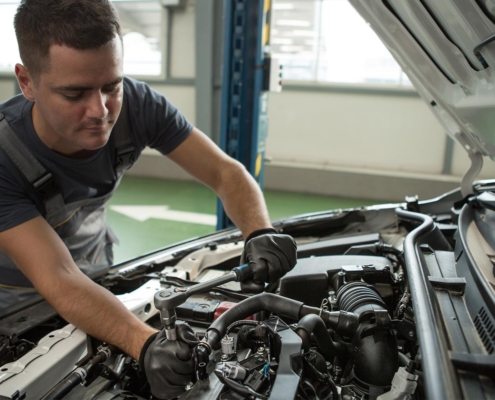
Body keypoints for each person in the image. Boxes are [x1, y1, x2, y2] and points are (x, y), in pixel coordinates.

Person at [0, 0, 297, 398]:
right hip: (14, 307)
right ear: (27, 82)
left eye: (111, 86)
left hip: (93, 272)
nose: (100, 110)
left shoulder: (138, 107)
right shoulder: (4, 156)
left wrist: (258, 230)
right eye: (74, 94)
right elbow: (59, 278)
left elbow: (226, 173)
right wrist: (143, 342)